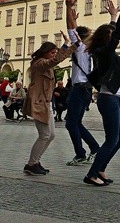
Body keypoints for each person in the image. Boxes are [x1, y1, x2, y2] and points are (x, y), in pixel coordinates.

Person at [83, 0, 120, 186]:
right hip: (108, 98)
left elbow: (113, 32)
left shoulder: (105, 51)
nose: (114, 38)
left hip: (114, 97)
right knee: (112, 139)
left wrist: (113, 16)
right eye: (111, 36)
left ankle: (100, 168)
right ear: (107, 38)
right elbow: (118, 33)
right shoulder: (103, 51)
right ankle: (92, 174)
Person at [23, 32, 74, 175]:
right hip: (39, 103)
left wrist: (72, 46)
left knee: (50, 135)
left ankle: (35, 162)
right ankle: (31, 164)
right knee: (44, 135)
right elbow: (54, 61)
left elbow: (59, 58)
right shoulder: (39, 63)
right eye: (52, 52)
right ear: (45, 53)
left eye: (55, 52)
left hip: (47, 103)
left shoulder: (47, 64)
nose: (54, 55)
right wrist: (66, 45)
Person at [64, 0, 101, 165]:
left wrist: (67, 7)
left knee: (71, 123)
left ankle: (81, 153)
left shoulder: (80, 48)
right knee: (75, 122)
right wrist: (72, 13)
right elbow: (74, 29)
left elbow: (71, 29)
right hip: (86, 90)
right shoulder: (91, 50)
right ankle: (94, 148)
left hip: (79, 89)